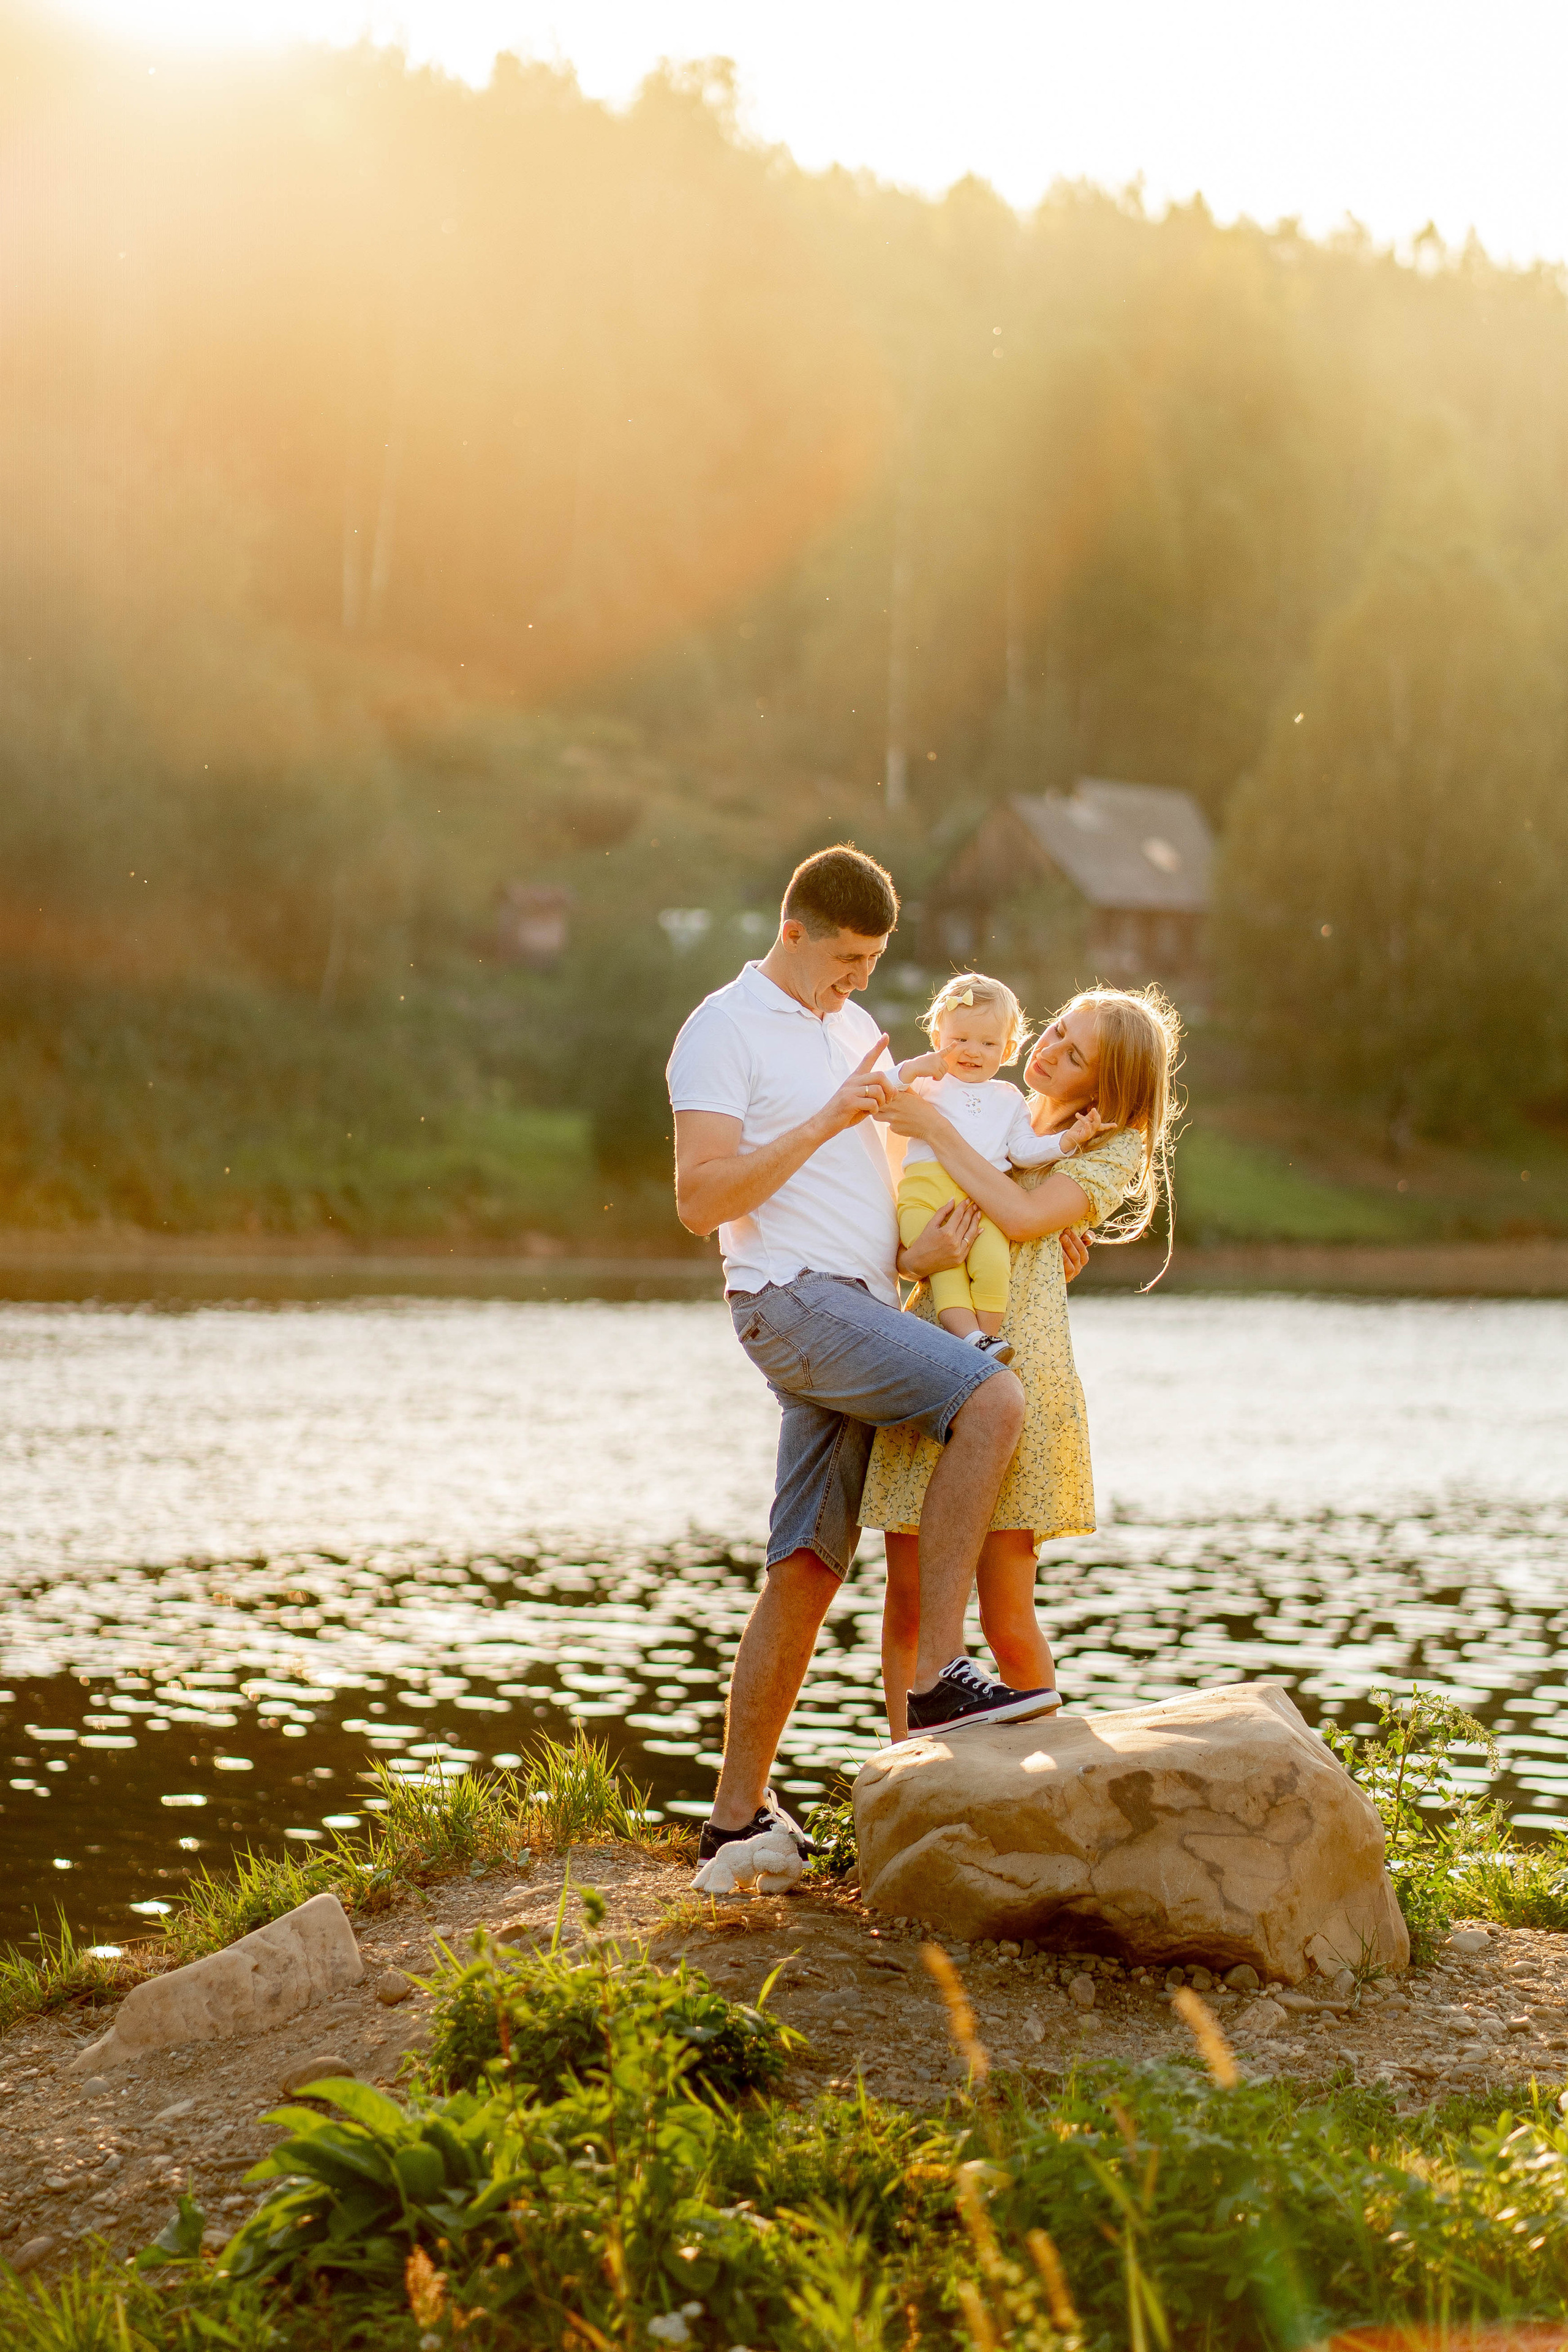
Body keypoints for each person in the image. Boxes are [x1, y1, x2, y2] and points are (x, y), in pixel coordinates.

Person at [665, 845, 1060, 1885]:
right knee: (993, 1397)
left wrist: (916, 1255)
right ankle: (935, 1675)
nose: (857, 980)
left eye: (873, 962)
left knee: (806, 1565)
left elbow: (949, 1130)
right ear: (792, 931)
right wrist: (829, 1115)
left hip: (860, 1295)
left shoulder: (852, 1029)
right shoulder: (724, 1029)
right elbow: (703, 1200)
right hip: (788, 1301)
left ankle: (735, 1827)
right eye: (845, 958)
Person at [865, 984, 1182, 1741]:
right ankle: (908, 1778)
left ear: (1107, 1087)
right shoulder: (991, 1100)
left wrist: (936, 1130)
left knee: (1007, 1603)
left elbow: (1022, 1216)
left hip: (1020, 1365)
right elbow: (907, 1221)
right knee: (905, 1597)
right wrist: (916, 1254)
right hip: (934, 1342)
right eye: (1056, 1031)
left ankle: (1040, 1796)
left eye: (1075, 1055)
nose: (1048, 1050)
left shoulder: (1111, 1147)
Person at [893, 969, 1106, 1363]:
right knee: (947, 1270)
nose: (972, 1051)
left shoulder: (1009, 1098)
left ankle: (985, 1343)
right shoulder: (927, 1084)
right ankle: (968, 1335)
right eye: (959, 1040)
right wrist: (911, 1069)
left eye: (988, 1043)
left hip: (980, 1203)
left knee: (994, 1262)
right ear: (938, 1041)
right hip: (927, 1194)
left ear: (1007, 1050)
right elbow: (883, 1098)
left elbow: (1023, 1151)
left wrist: (1066, 1142)